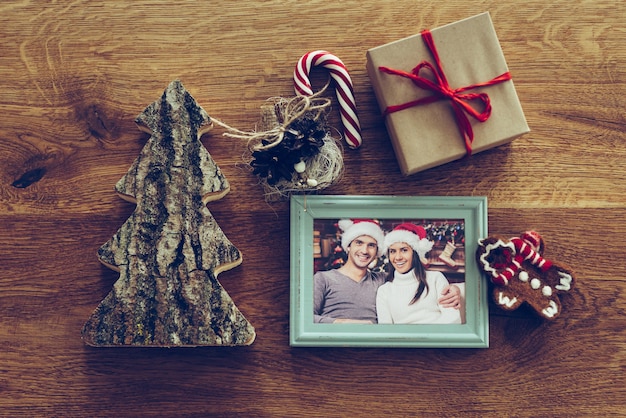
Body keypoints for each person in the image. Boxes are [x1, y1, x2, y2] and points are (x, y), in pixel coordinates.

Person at [314, 219, 460, 324]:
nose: (364, 251)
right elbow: (302, 318)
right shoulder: (323, 279)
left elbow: (409, 280)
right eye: (359, 243)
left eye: (371, 245)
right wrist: (341, 323)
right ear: (348, 246)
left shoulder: (383, 280)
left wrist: (456, 289)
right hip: (332, 342)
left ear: (377, 251)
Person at [376, 223, 462, 324]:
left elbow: (453, 318)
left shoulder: (435, 278)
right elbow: (386, 331)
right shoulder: (384, 291)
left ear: (415, 253)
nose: (398, 257)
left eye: (404, 250)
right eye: (392, 251)